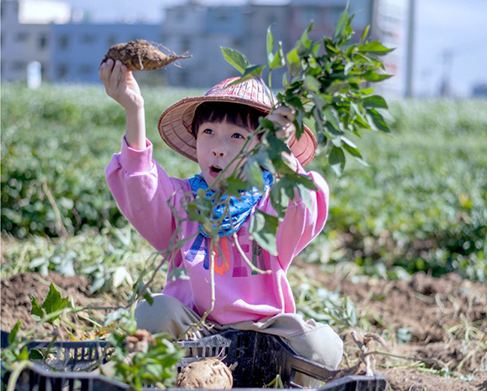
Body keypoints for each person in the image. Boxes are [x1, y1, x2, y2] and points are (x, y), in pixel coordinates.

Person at [99, 59, 343, 385]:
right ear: (196, 140)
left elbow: (305, 201)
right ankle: (186, 374)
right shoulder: (185, 199)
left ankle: (270, 376)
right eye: (209, 132)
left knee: (323, 345)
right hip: (195, 328)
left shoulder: (272, 200)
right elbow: (143, 188)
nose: (219, 148)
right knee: (153, 312)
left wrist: (279, 153)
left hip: (263, 331)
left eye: (238, 137)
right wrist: (134, 111)